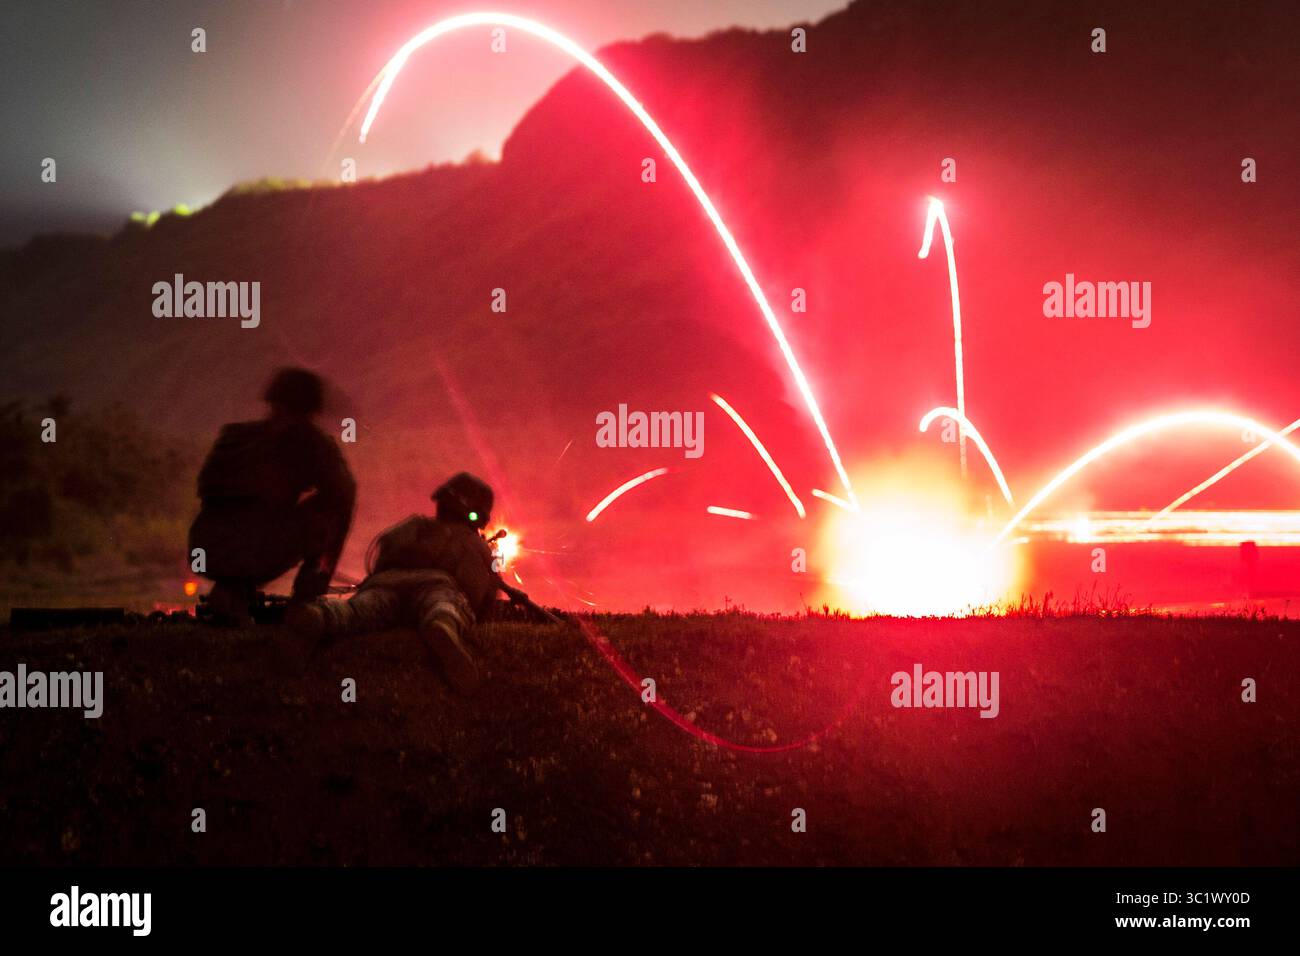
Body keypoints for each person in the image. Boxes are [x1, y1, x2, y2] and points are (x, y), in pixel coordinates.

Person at [288, 472, 519, 693]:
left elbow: (381, 559)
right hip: (437, 587)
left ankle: (323, 616)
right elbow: (477, 592)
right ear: (477, 515)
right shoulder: (472, 543)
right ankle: (441, 625)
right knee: (444, 606)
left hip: (385, 584)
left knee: (357, 610)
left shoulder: (412, 526)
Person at [189, 367, 356, 625]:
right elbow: (343, 490)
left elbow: (211, 492)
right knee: (334, 509)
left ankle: (231, 592)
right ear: (310, 407)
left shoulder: (235, 435)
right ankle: (307, 602)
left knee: (248, 525)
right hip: (253, 551)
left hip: (206, 548)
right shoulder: (307, 439)